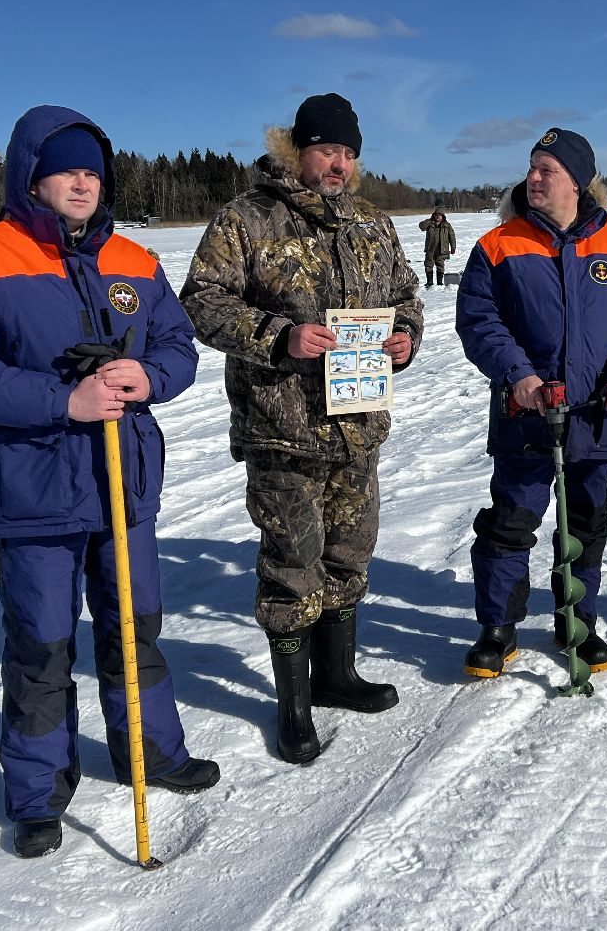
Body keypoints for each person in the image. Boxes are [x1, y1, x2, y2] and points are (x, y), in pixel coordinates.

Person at [0, 105, 218, 860]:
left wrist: (145, 375)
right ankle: (37, 794)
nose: (83, 182)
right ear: (31, 176)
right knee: (42, 646)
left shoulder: (137, 261)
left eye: (93, 171)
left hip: (125, 485)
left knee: (134, 631)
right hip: (35, 492)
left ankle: (153, 754)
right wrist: (63, 401)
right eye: (67, 169)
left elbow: (179, 345)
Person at [179, 93, 423, 764]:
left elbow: (405, 294)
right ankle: (292, 707)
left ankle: (336, 677)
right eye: (326, 150)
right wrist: (276, 335)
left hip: (358, 425)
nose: (338, 163)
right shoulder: (248, 218)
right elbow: (201, 300)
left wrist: (405, 335)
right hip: (283, 428)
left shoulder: (372, 224)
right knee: (293, 567)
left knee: (350, 554)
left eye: (348, 152)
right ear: (297, 150)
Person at [456, 128, 607, 677]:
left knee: (585, 525)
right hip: (526, 413)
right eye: (531, 167)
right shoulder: (498, 245)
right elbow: (480, 321)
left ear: (577, 181)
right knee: (510, 520)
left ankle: (578, 618)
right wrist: (518, 375)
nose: (533, 178)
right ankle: (498, 628)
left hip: (597, 414)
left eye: (546, 169)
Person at [418, 201, 457, 288]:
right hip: (430, 249)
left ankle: (439, 282)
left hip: (442, 249)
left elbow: (452, 237)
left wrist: (453, 247)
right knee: (428, 265)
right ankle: (429, 282)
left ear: (443, 216)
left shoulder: (447, 225)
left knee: (440, 266)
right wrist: (429, 220)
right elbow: (421, 227)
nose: (437, 217)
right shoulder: (429, 224)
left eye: (439, 215)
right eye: (436, 215)